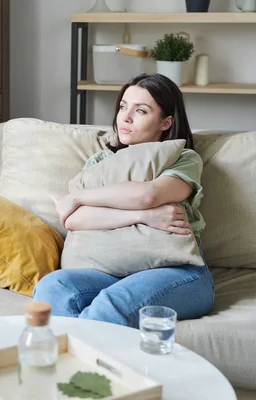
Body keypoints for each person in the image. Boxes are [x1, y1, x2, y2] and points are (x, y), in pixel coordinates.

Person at [33, 73, 214, 328]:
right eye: (122, 107)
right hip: (106, 273)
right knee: (53, 287)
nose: (125, 117)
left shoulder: (184, 158)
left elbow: (149, 194)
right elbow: (75, 219)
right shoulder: (99, 163)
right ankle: (72, 361)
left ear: (166, 122)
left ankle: (80, 362)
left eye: (140, 110)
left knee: (112, 303)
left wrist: (79, 197)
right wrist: (143, 215)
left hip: (177, 273)